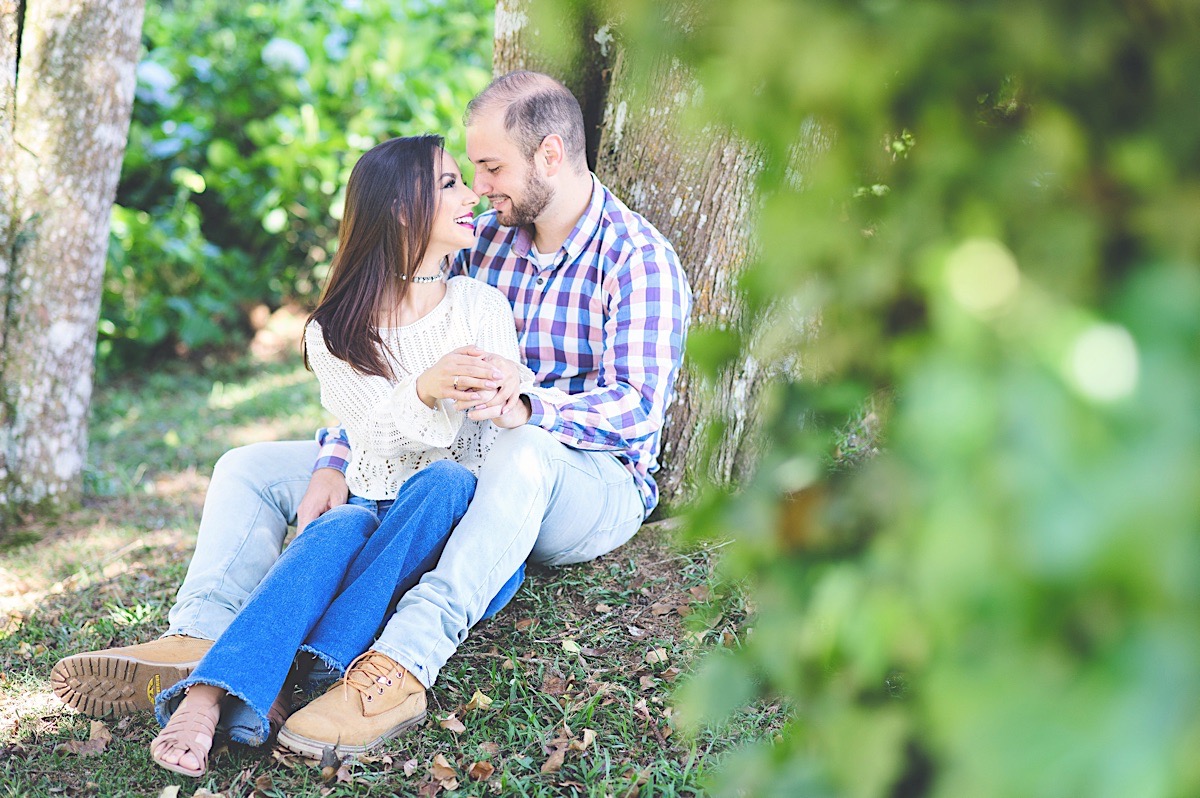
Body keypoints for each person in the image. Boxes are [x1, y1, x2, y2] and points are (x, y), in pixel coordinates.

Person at [53, 71, 692, 758]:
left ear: (550, 155)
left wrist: (529, 401)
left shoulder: (636, 259)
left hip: (585, 480)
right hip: (439, 451)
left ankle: (404, 662)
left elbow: (634, 411)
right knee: (249, 468)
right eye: (468, 172)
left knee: (520, 448)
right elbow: (385, 348)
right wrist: (333, 455)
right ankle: (200, 634)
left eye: (490, 167)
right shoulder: (488, 238)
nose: (478, 187)